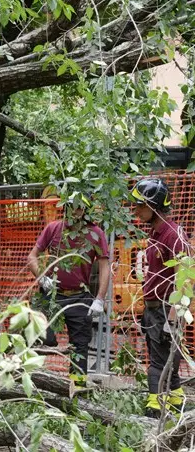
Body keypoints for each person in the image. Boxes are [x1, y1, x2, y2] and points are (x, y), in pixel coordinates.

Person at [27, 193, 110, 388]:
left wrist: (100, 298)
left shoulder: (95, 233)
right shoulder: (54, 228)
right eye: (71, 207)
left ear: (86, 211)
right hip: (51, 295)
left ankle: (78, 389)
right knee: (39, 336)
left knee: (80, 345)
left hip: (79, 297)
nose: (75, 211)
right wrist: (43, 278)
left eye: (80, 207)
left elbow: (105, 266)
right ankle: (31, 384)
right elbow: (32, 257)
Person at [130, 177, 189, 417]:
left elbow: (185, 280)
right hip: (155, 308)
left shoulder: (173, 235)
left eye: (140, 205)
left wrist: (173, 318)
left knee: (158, 361)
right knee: (166, 359)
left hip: (167, 309)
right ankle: (177, 401)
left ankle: (154, 408)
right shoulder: (156, 233)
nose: (136, 210)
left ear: (153, 205)